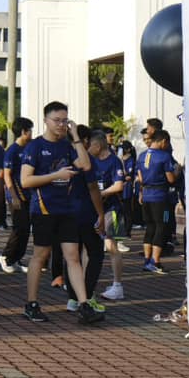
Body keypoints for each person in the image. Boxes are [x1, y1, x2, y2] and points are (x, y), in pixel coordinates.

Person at [21, 101, 103, 324]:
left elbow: (85, 165)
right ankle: (31, 303)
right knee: (41, 255)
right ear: (45, 121)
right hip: (44, 210)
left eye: (65, 120)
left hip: (67, 210)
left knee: (73, 256)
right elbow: (25, 180)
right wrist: (55, 176)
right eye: (56, 120)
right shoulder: (35, 147)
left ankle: (83, 304)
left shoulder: (67, 146)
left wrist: (75, 136)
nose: (61, 125)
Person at [64, 126, 106, 314]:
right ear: (86, 140)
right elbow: (93, 187)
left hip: (66, 212)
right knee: (96, 253)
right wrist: (101, 214)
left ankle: (73, 298)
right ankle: (87, 296)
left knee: (72, 256)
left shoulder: (64, 155)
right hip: (85, 212)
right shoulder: (86, 160)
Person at [90, 131, 127, 301]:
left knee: (111, 245)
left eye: (91, 145)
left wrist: (102, 193)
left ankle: (118, 286)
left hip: (111, 209)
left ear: (98, 146)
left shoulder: (114, 161)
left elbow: (119, 185)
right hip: (95, 209)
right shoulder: (91, 161)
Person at [137, 129, 179, 274]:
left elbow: (140, 178)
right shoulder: (164, 156)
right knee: (162, 226)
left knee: (150, 227)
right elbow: (171, 179)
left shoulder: (142, 155)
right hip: (161, 197)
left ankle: (147, 260)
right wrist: (177, 171)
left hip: (146, 195)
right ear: (163, 141)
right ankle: (156, 261)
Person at [0, 117, 33, 274]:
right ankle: (6, 256)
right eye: (30, 130)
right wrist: (14, 197)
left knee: (25, 229)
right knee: (19, 228)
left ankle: (16, 258)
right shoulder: (12, 151)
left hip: (28, 194)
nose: (31, 133)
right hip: (16, 195)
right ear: (24, 132)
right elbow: (7, 175)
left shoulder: (28, 149)